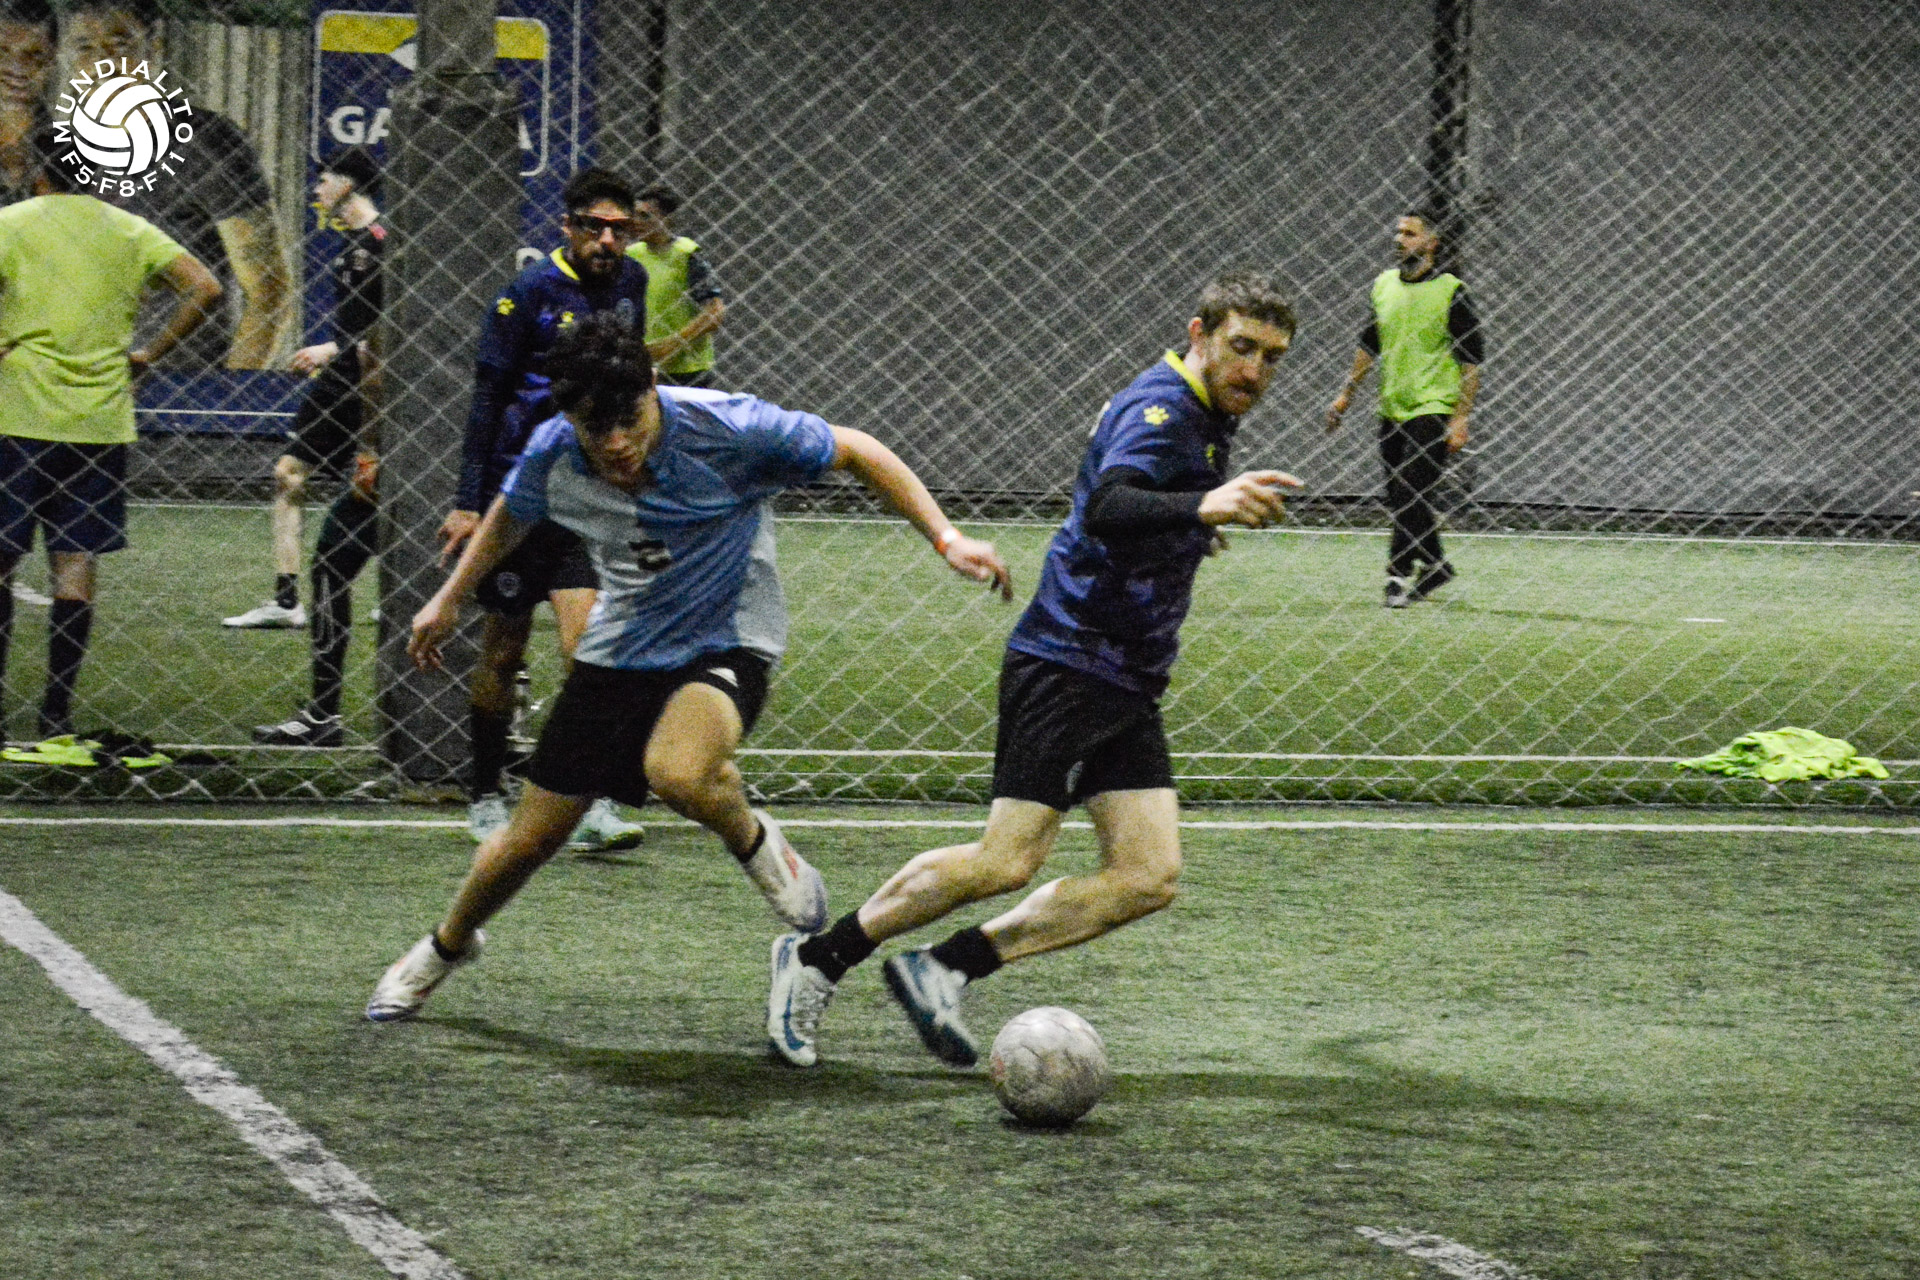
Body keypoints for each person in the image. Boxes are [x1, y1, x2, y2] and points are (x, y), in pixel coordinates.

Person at [364, 313, 1011, 1023]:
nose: (616, 441)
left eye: (629, 417)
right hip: (623, 646)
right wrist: (448, 599)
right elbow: (511, 513)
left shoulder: (731, 429)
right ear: (569, 418)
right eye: (596, 426)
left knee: (679, 770)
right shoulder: (553, 453)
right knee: (528, 840)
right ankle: (445, 947)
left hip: (727, 639)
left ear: (654, 387)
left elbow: (858, 450)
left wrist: (946, 537)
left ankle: (756, 843)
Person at [765, 271, 1300, 1068]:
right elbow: (1110, 504)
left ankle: (944, 969)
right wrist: (1201, 507)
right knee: (1005, 860)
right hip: (1072, 659)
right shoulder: (1164, 409)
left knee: (1147, 875)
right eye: (1241, 347)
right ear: (1200, 334)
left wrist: (1187, 523)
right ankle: (817, 958)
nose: (1253, 369)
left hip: (1125, 673)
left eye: (1271, 357)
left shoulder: (1201, 415)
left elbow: (1137, 507)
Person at [440, 167, 653, 851]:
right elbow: (487, 398)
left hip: (585, 500)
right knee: (503, 649)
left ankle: (586, 802)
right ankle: (484, 794)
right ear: (567, 227)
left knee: (586, 648)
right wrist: (468, 503)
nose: (607, 240)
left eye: (620, 229)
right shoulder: (528, 293)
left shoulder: (632, 284)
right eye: (593, 226)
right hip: (520, 497)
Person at [0, 125, 221, 740]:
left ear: (40, 172)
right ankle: (55, 713)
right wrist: (149, 352)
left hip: (17, 416)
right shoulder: (128, 229)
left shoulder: (13, 222)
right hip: (99, 422)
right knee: (75, 565)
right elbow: (205, 286)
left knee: (2, 558)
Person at [57, 0, 292, 369]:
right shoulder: (60, 153)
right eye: (85, 47)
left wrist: (227, 395)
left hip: (182, 385)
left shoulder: (204, 141)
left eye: (120, 45)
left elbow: (270, 292)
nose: (103, 62)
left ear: (153, 48)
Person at [224, 148, 385, 632]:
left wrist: (330, 349)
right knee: (289, 474)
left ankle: (404, 592)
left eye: (323, 180)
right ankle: (287, 600)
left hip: (372, 384)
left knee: (384, 487)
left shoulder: (381, 245)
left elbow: (388, 330)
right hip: (342, 380)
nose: (316, 190)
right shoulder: (350, 243)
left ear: (347, 185)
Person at [1324, 208, 1483, 608]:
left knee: (1410, 490)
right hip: (1392, 406)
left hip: (1434, 405)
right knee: (1402, 497)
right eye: (1398, 232)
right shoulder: (1383, 286)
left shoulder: (1451, 291)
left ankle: (1396, 575)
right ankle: (1436, 564)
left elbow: (1471, 361)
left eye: (1410, 233)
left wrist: (1461, 417)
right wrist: (1346, 394)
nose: (1399, 239)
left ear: (1431, 243)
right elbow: (1369, 345)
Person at [626, 183, 726, 388]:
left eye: (645, 216)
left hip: (688, 372)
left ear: (667, 219)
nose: (636, 222)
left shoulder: (687, 255)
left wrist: (671, 345)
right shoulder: (631, 255)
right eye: (633, 215)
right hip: (643, 367)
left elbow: (714, 313)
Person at [0, 0, 54, 209]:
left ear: (52, 60)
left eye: (34, 54)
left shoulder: (68, 148)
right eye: (3, 51)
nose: (17, 66)